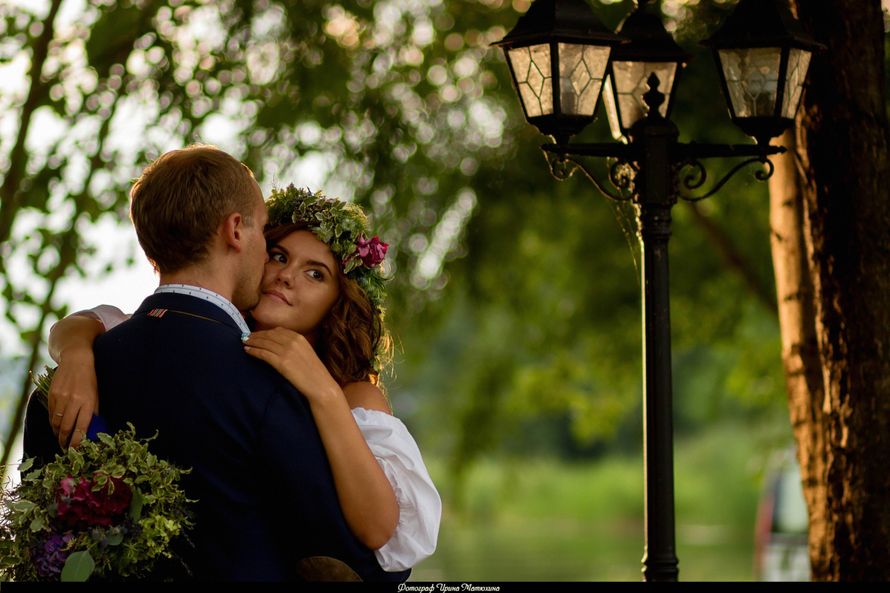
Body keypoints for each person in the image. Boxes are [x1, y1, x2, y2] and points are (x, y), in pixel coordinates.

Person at [23, 145, 410, 581]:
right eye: (270, 240)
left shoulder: (57, 391)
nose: (272, 262)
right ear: (236, 231)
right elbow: (361, 561)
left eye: (314, 273)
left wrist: (76, 351)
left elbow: (42, 551)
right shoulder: (270, 391)